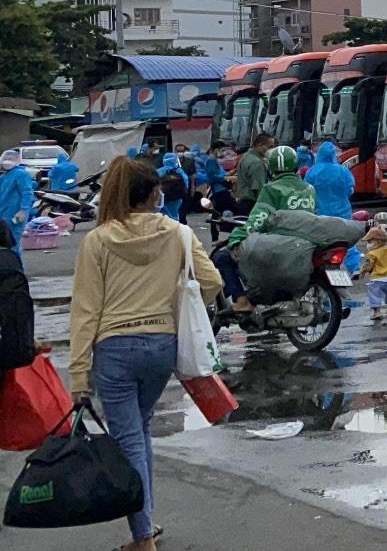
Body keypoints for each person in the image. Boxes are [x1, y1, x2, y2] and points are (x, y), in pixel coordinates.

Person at [67, 156, 222, 551]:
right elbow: (211, 281)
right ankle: (145, 523)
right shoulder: (179, 234)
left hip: (114, 349)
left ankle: (142, 538)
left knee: (129, 439)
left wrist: (79, 376)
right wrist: (177, 309)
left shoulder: (98, 241)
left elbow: (85, 312)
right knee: (139, 429)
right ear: (155, 194)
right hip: (162, 345)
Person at [215, 146, 318, 311]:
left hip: (277, 245)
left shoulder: (271, 189)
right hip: (303, 243)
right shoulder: (309, 189)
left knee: (222, 258)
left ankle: (242, 302)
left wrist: (236, 238)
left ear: (270, 168)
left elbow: (258, 219)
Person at [357, 220, 387, 323]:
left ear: (378, 241)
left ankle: (377, 312)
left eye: (369, 242)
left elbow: (368, 265)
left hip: (376, 279)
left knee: (374, 295)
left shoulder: (372, 254)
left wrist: (362, 271)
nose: (368, 244)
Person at [0, 149, 36, 254]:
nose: (7, 162)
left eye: (10, 159)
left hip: (16, 214)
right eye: (5, 159)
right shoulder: (5, 176)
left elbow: (27, 192)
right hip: (5, 214)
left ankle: (15, 263)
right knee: (6, 243)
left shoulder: (21, 174)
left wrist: (23, 210)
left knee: (12, 242)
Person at [305, 141, 354, 219]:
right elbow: (350, 190)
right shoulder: (343, 170)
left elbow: (307, 192)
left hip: (320, 216)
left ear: (319, 154)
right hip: (343, 215)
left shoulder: (312, 171)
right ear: (334, 154)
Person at [232, 132, 276, 216]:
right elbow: (259, 190)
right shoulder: (257, 163)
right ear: (259, 145)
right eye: (270, 147)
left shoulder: (245, 156)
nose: (272, 150)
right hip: (252, 205)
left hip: (242, 202)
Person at [156, 153, 190, 222]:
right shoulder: (179, 171)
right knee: (174, 214)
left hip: (162, 198)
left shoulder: (158, 171)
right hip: (176, 197)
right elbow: (186, 182)